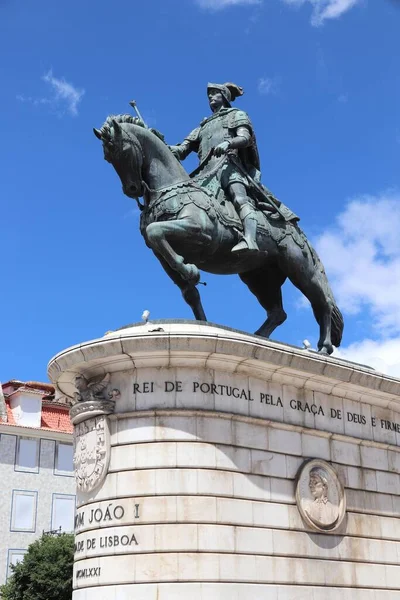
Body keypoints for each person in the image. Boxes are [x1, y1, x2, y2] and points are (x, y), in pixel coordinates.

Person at [169, 82, 262, 253]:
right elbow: (182, 150)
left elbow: (245, 138)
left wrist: (228, 142)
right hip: (205, 174)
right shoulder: (203, 126)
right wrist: (162, 145)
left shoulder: (236, 115)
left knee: (240, 199)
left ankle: (250, 239)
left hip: (229, 166)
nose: (210, 97)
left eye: (214, 93)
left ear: (224, 96)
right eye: (209, 95)